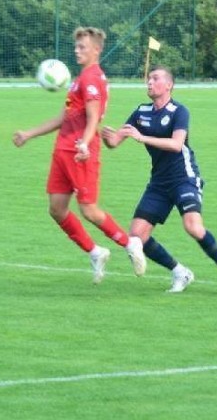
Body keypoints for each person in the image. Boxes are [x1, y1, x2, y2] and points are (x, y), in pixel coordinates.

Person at [13, 26, 146, 284]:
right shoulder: (80, 78)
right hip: (63, 149)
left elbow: (94, 116)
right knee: (57, 208)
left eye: (82, 47)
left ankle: (130, 244)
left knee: (89, 210)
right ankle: (96, 252)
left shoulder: (92, 78)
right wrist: (29, 134)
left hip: (80, 152)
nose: (77, 51)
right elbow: (66, 116)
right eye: (76, 47)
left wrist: (84, 144)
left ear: (96, 50)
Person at [101, 65, 217, 293]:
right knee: (137, 235)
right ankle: (180, 272)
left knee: (193, 226)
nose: (149, 82)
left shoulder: (179, 111)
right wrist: (105, 135)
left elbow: (176, 144)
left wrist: (142, 137)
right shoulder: (140, 112)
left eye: (155, 78)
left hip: (184, 177)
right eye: (148, 79)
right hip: (159, 182)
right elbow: (115, 142)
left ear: (168, 85)